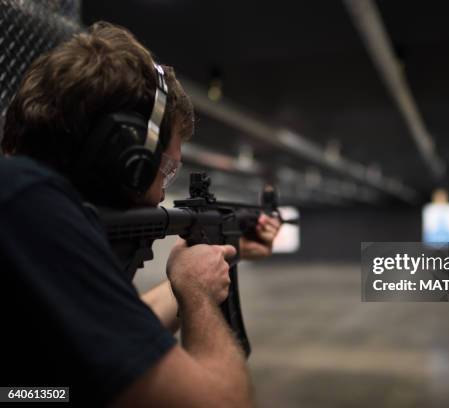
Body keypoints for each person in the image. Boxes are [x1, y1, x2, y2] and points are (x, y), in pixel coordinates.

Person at [0, 22, 280, 406]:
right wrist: (197, 295)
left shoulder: (23, 211)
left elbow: (112, 332)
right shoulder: (24, 202)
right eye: (167, 169)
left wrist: (204, 268)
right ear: (126, 155)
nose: (164, 191)